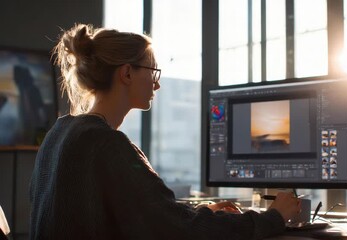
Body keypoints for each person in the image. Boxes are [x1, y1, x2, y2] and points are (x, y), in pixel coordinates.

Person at [29, 23, 301, 240]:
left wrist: (196, 212)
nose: (156, 85)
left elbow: (148, 216)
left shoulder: (60, 132)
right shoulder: (106, 143)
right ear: (126, 73)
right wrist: (274, 216)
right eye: (152, 72)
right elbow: (179, 231)